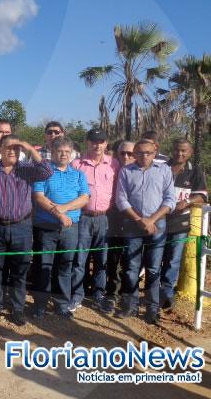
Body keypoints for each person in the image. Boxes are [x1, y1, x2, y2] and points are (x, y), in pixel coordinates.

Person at [0, 135, 52, 325]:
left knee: (20, 269)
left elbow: (47, 171)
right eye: (8, 147)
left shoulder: (27, 170)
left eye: (16, 148)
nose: (12, 151)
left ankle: (17, 309)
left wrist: (28, 146)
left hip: (21, 227)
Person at [115, 140, 175, 325]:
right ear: (135, 153)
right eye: (140, 153)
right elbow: (121, 200)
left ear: (154, 152)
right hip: (133, 224)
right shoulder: (126, 171)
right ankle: (130, 306)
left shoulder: (164, 171)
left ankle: (152, 308)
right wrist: (140, 220)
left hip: (157, 225)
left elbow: (170, 199)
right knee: (131, 267)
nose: (144, 156)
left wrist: (151, 220)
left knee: (153, 268)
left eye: (148, 152)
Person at [32, 137, 90, 320]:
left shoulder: (79, 174)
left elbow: (84, 198)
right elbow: (39, 197)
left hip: (70, 228)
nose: (64, 154)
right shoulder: (43, 172)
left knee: (65, 266)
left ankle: (62, 305)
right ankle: (40, 305)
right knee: (43, 266)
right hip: (46, 227)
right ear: (52, 152)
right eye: (60, 151)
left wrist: (64, 209)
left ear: (72, 154)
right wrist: (58, 214)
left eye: (67, 151)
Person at [69, 128, 119, 313]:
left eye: (101, 141)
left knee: (102, 259)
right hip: (82, 217)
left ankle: (99, 295)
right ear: (87, 142)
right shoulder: (76, 164)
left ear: (106, 143)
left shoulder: (113, 164)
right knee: (80, 259)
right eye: (94, 141)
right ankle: (77, 295)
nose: (97, 145)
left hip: (104, 218)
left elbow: (117, 190)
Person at [161, 138, 207, 309]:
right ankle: (153, 291)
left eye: (184, 151)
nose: (179, 154)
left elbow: (202, 196)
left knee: (173, 259)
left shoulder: (195, 171)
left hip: (180, 223)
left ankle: (166, 294)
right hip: (158, 221)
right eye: (176, 150)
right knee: (155, 258)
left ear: (190, 153)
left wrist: (186, 201)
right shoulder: (161, 168)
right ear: (172, 150)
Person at [106, 140, 135, 303]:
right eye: (122, 153)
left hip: (134, 220)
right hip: (114, 218)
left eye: (130, 153)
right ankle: (113, 294)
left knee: (132, 259)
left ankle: (129, 294)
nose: (126, 156)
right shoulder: (112, 169)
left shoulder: (140, 170)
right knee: (113, 258)